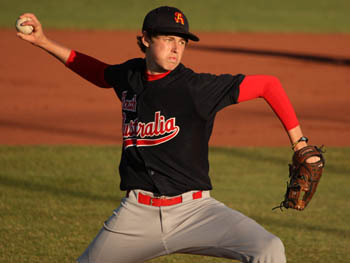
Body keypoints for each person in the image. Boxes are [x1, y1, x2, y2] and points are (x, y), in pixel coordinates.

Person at [17, 6, 315, 263]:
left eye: (182, 42)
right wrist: (43, 41)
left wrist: (299, 142)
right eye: (168, 39)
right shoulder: (130, 75)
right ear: (146, 39)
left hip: (196, 211)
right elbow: (99, 73)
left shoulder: (197, 89)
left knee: (269, 248)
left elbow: (268, 85)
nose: (176, 48)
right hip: (136, 215)